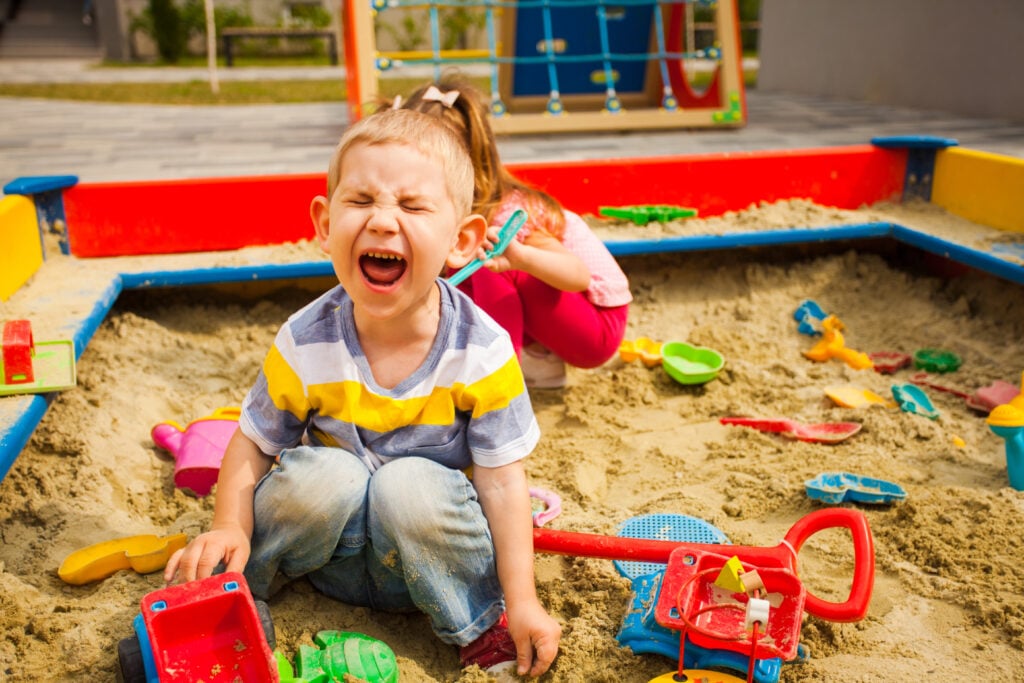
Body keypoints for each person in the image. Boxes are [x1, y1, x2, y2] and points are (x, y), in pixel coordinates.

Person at [164, 108, 561, 679]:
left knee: (409, 484)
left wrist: (521, 600)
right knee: (325, 475)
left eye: (412, 204)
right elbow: (251, 444)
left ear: (462, 241)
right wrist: (229, 526)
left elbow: (502, 481)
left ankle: (478, 626)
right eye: (361, 200)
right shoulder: (305, 340)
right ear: (325, 223)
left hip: (425, 571)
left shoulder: (481, 349)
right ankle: (241, 593)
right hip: (326, 561)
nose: (381, 221)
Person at [395, 74, 633, 389]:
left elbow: (578, 276)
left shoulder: (509, 212)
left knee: (485, 257)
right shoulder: (443, 206)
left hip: (597, 325)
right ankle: (538, 361)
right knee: (461, 266)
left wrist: (520, 256)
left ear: (470, 163)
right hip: (559, 318)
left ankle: (498, 379)